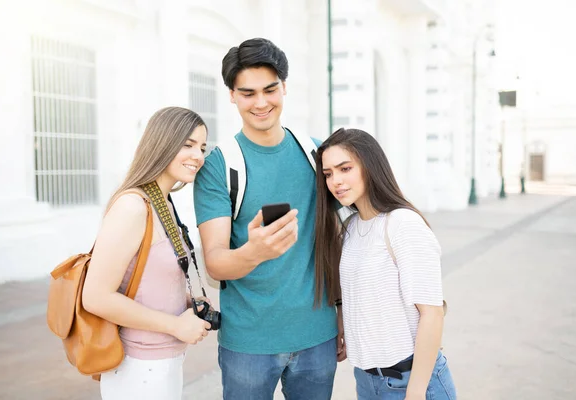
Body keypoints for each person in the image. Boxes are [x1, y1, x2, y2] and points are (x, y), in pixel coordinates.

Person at [193, 38, 338, 399]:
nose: (261, 103)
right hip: (249, 343)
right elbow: (215, 264)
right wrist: (254, 251)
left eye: (270, 90)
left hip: (318, 336)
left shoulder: (316, 155)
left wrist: (344, 315)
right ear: (231, 95)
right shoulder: (218, 166)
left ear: (284, 88)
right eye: (248, 93)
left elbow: (334, 241)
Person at [315, 128, 457, 400]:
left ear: (370, 166)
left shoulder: (403, 224)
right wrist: (344, 323)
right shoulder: (351, 227)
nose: (336, 181)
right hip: (367, 380)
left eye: (345, 168)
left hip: (411, 382)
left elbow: (432, 313)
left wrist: (414, 394)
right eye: (328, 174)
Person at [82, 107, 212, 400]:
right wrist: (175, 325)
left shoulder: (162, 202)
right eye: (188, 144)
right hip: (139, 367)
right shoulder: (133, 206)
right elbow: (96, 297)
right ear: (162, 142)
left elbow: (144, 281)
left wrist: (186, 302)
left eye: (202, 147)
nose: (198, 156)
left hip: (162, 362)